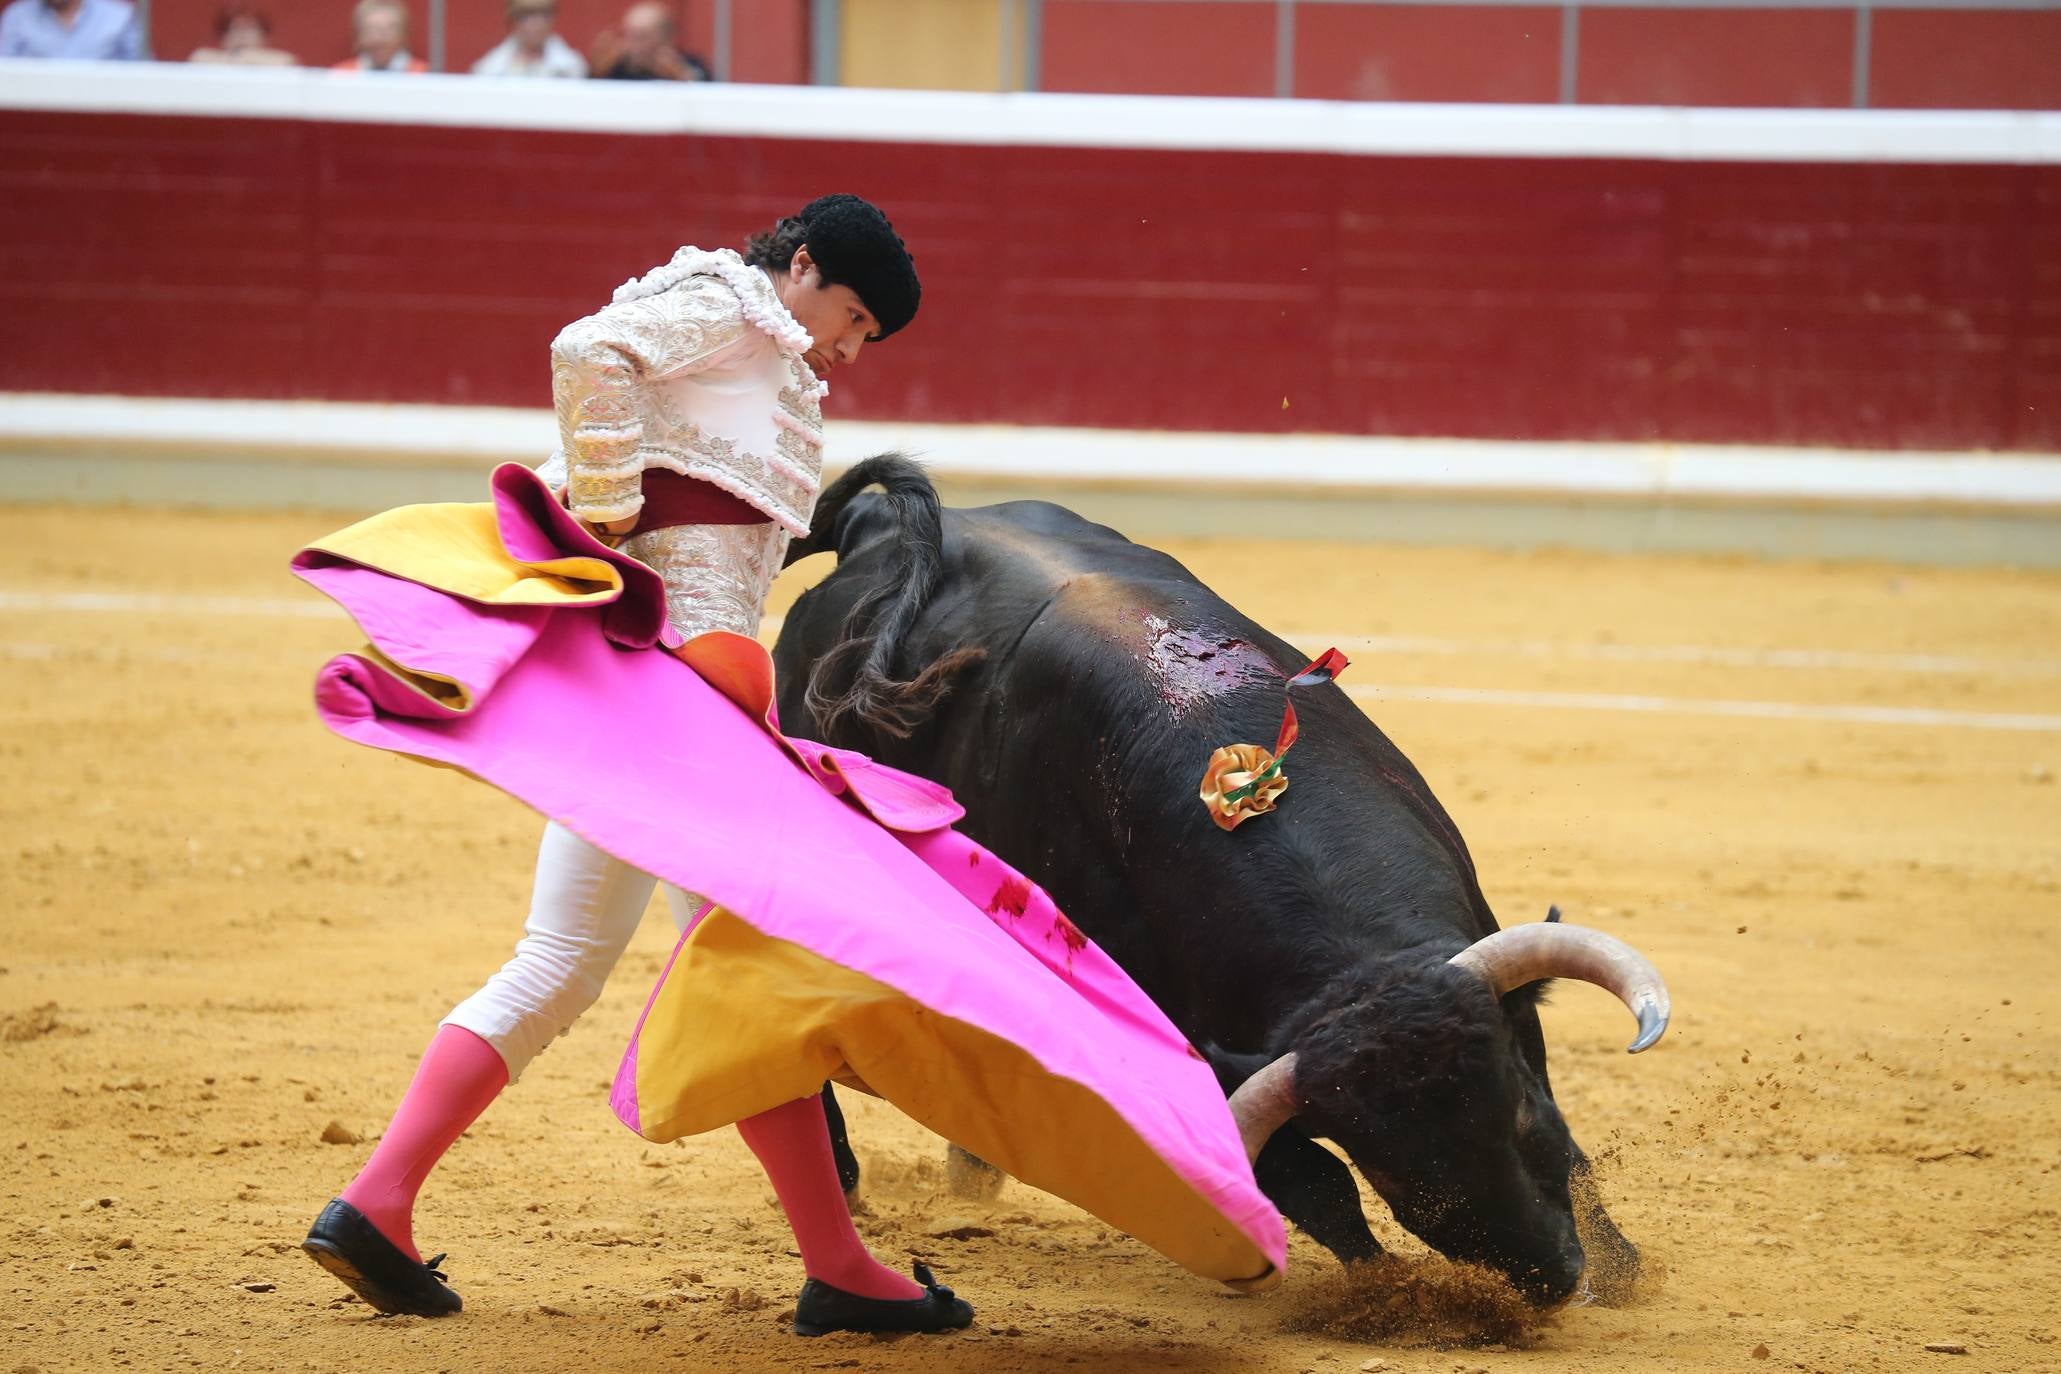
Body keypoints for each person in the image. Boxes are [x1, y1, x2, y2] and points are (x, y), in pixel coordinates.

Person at [298, 196, 955, 1337]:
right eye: (851, 318)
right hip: (678, 705)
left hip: (666, 703)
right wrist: (604, 535)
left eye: (866, 341)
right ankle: (839, 1265)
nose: (851, 352)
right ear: (801, 268)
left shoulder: (763, 355)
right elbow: (584, 351)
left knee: (565, 961)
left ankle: (378, 1203)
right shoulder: (732, 314)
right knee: (749, 974)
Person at [589, 0, 710, 81]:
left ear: (666, 38)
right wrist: (598, 70)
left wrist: (682, 76)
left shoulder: (688, 64)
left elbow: (710, 93)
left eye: (642, 36)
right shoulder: (616, 68)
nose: (634, 45)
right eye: (629, 35)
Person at [471, 0, 584, 78]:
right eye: (525, 16)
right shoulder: (489, 69)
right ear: (512, 20)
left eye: (542, 15)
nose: (535, 25)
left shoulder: (572, 67)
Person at [0, 0, 143, 59]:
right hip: (34, 115)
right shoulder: (18, 17)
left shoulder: (119, 16)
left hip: (102, 114)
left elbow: (143, 75)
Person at [330, 0, 426, 74]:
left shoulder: (425, 76)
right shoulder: (341, 76)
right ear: (359, 36)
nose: (379, 40)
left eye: (387, 31)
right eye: (371, 30)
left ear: (403, 35)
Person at [187, 2, 293, 65]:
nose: (242, 35)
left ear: (263, 36)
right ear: (223, 37)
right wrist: (236, 58)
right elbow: (198, 58)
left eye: (250, 28)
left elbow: (286, 62)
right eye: (235, 28)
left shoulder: (281, 60)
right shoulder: (204, 57)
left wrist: (248, 58)